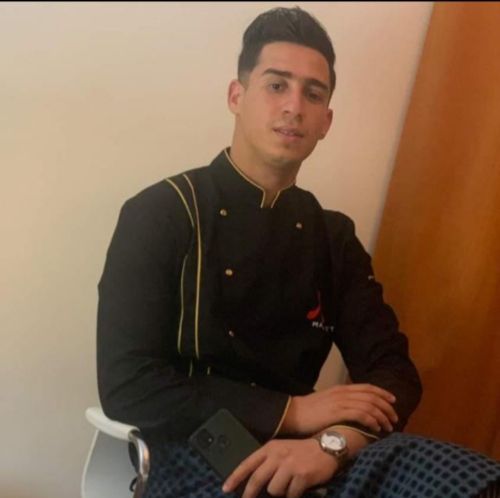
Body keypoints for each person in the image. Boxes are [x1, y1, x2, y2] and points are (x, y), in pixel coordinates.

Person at [96, 7, 500, 498]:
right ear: (237, 96)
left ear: (326, 121)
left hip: (313, 450)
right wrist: (295, 410)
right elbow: (128, 384)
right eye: (276, 85)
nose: (294, 107)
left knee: (476, 481)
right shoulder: (161, 213)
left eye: (313, 93)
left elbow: (395, 373)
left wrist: (333, 443)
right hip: (195, 442)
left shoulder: (332, 238)